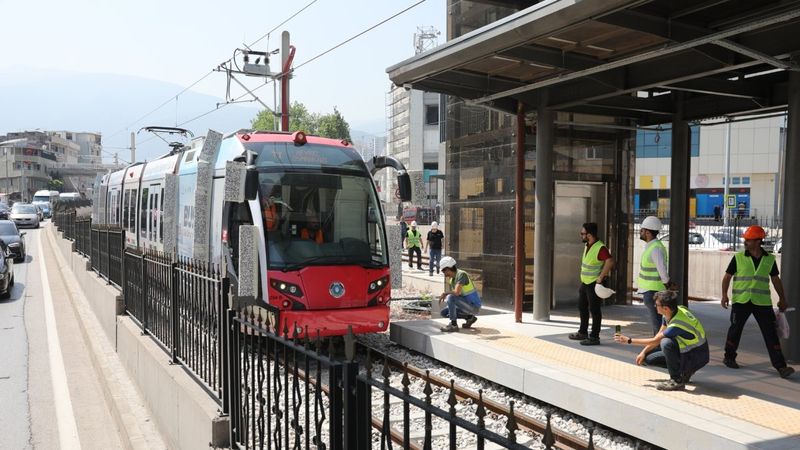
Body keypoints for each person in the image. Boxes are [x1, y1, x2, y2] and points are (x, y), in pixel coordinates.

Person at [721, 225, 794, 378]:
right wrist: (724, 295)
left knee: (770, 333)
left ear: (758, 241)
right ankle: (729, 357)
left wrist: (782, 298)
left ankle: (781, 367)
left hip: (762, 302)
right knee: (735, 330)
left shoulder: (769, 259)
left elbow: (775, 279)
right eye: (746, 240)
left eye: (749, 240)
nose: (746, 242)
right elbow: (727, 277)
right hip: (741, 301)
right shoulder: (738, 257)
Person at [614, 290, 709, 391]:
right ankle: (684, 372)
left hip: (697, 356)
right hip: (689, 352)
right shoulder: (671, 313)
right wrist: (643, 352)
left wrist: (629, 340)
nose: (655, 306)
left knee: (665, 343)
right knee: (647, 358)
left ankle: (677, 381)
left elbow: (655, 340)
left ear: (666, 308)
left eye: (657, 304)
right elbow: (658, 336)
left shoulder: (677, 324)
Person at [569, 223, 614, 345]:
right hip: (585, 282)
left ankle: (594, 337)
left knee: (594, 310)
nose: (581, 235)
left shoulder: (600, 248)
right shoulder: (587, 245)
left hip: (594, 283)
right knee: (582, 307)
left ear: (589, 235)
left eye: (583, 233)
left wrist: (600, 277)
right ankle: (583, 332)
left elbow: (610, 261)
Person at [638, 216, 676, 336]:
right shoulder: (652, 247)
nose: (640, 232)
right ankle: (658, 347)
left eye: (642, 230)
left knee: (658, 324)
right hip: (650, 291)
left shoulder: (655, 249)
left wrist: (668, 285)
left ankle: (658, 349)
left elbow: (662, 270)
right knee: (658, 323)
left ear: (648, 232)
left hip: (654, 292)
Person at [438, 256, 481, 332]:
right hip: (465, 305)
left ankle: (453, 325)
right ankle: (470, 318)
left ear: (448, 268)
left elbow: (456, 293)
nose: (443, 272)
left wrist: (445, 293)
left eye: (443, 270)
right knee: (444, 313)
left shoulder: (461, 275)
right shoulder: (452, 280)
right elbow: (458, 296)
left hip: (473, 306)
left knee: (451, 297)